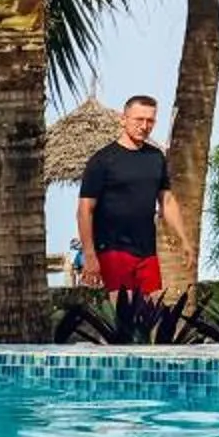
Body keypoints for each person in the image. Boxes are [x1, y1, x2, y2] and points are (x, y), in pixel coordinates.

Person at [77, 95, 190, 298]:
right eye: (139, 119)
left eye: (150, 121)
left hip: (147, 249)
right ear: (124, 119)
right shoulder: (102, 160)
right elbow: (85, 210)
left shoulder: (156, 158)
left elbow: (167, 200)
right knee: (126, 315)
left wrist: (184, 240)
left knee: (152, 315)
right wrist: (90, 255)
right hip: (113, 248)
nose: (144, 126)